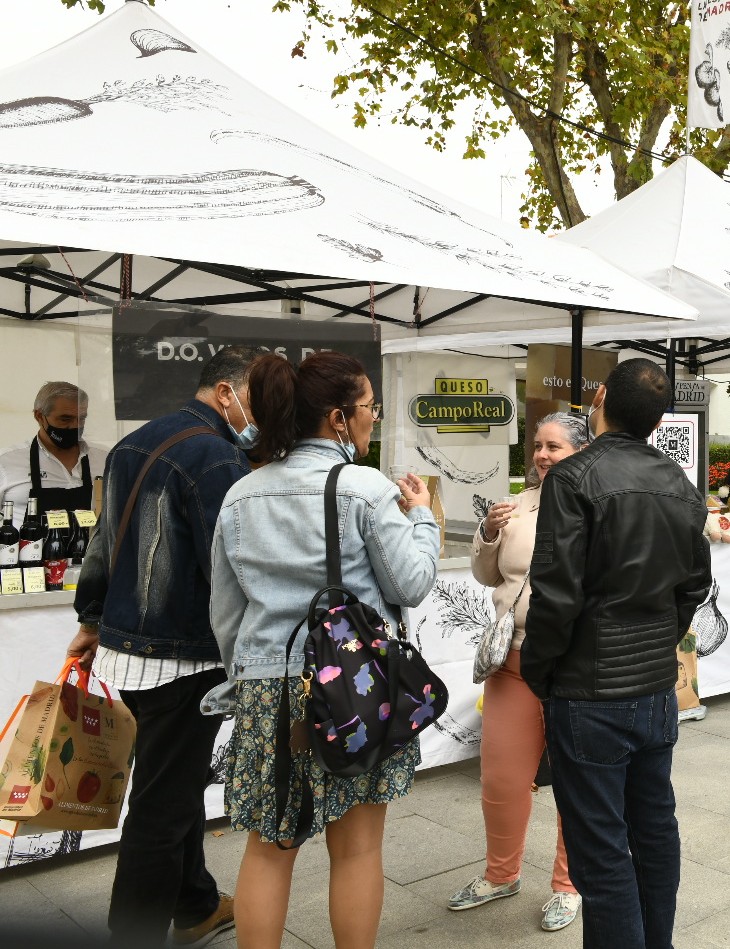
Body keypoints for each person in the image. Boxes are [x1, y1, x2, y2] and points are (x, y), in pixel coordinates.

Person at [208, 351, 438, 949]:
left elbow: (226, 614)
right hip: (353, 686)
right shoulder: (365, 488)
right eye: (369, 409)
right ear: (339, 418)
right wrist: (424, 521)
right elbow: (409, 583)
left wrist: (249, 681)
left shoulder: (241, 494)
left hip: (267, 688)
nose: (372, 419)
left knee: (269, 847)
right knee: (357, 848)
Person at [65, 347, 262, 947]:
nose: (262, 414)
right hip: (183, 654)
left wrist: (93, 617)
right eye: (256, 398)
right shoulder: (216, 455)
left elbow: (102, 540)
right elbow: (229, 566)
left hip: (133, 648)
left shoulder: (134, 442)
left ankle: (196, 903)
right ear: (225, 393)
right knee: (161, 808)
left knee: (171, 787)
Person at [520, 358, 710, 949]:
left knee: (603, 854)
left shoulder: (574, 479)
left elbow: (556, 594)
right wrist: (655, 642)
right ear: (658, 421)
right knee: (653, 831)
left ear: (599, 398)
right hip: (651, 689)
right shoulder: (679, 484)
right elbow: (693, 586)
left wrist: (541, 671)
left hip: (591, 691)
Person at [449, 413, 589, 930]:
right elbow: (488, 574)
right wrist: (488, 532)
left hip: (574, 664)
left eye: (555, 447)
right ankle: (500, 874)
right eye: (537, 446)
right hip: (512, 659)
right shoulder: (520, 504)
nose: (542, 455)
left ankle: (570, 884)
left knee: (576, 779)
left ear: (582, 451)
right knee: (502, 777)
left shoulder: (599, 504)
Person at [0, 380, 108, 526]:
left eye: (81, 419)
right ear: (39, 416)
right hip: (29, 548)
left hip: (90, 548)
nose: (75, 426)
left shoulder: (106, 458)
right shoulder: (6, 462)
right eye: (65, 419)